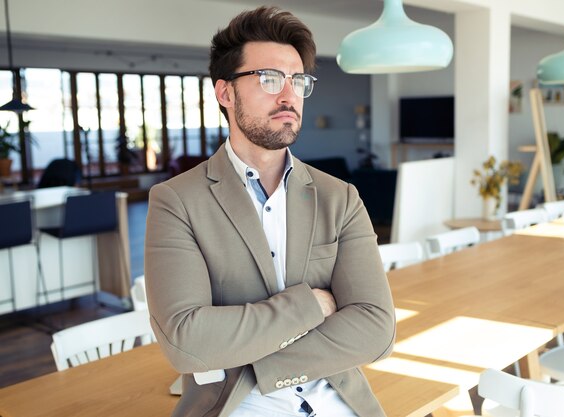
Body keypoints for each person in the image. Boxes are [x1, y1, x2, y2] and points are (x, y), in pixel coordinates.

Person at [145, 6, 395, 417]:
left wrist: (244, 359)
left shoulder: (340, 196)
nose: (288, 95)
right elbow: (187, 342)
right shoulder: (176, 201)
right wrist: (314, 306)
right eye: (269, 79)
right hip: (238, 407)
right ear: (225, 93)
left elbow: (376, 329)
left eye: (297, 81)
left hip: (339, 400)